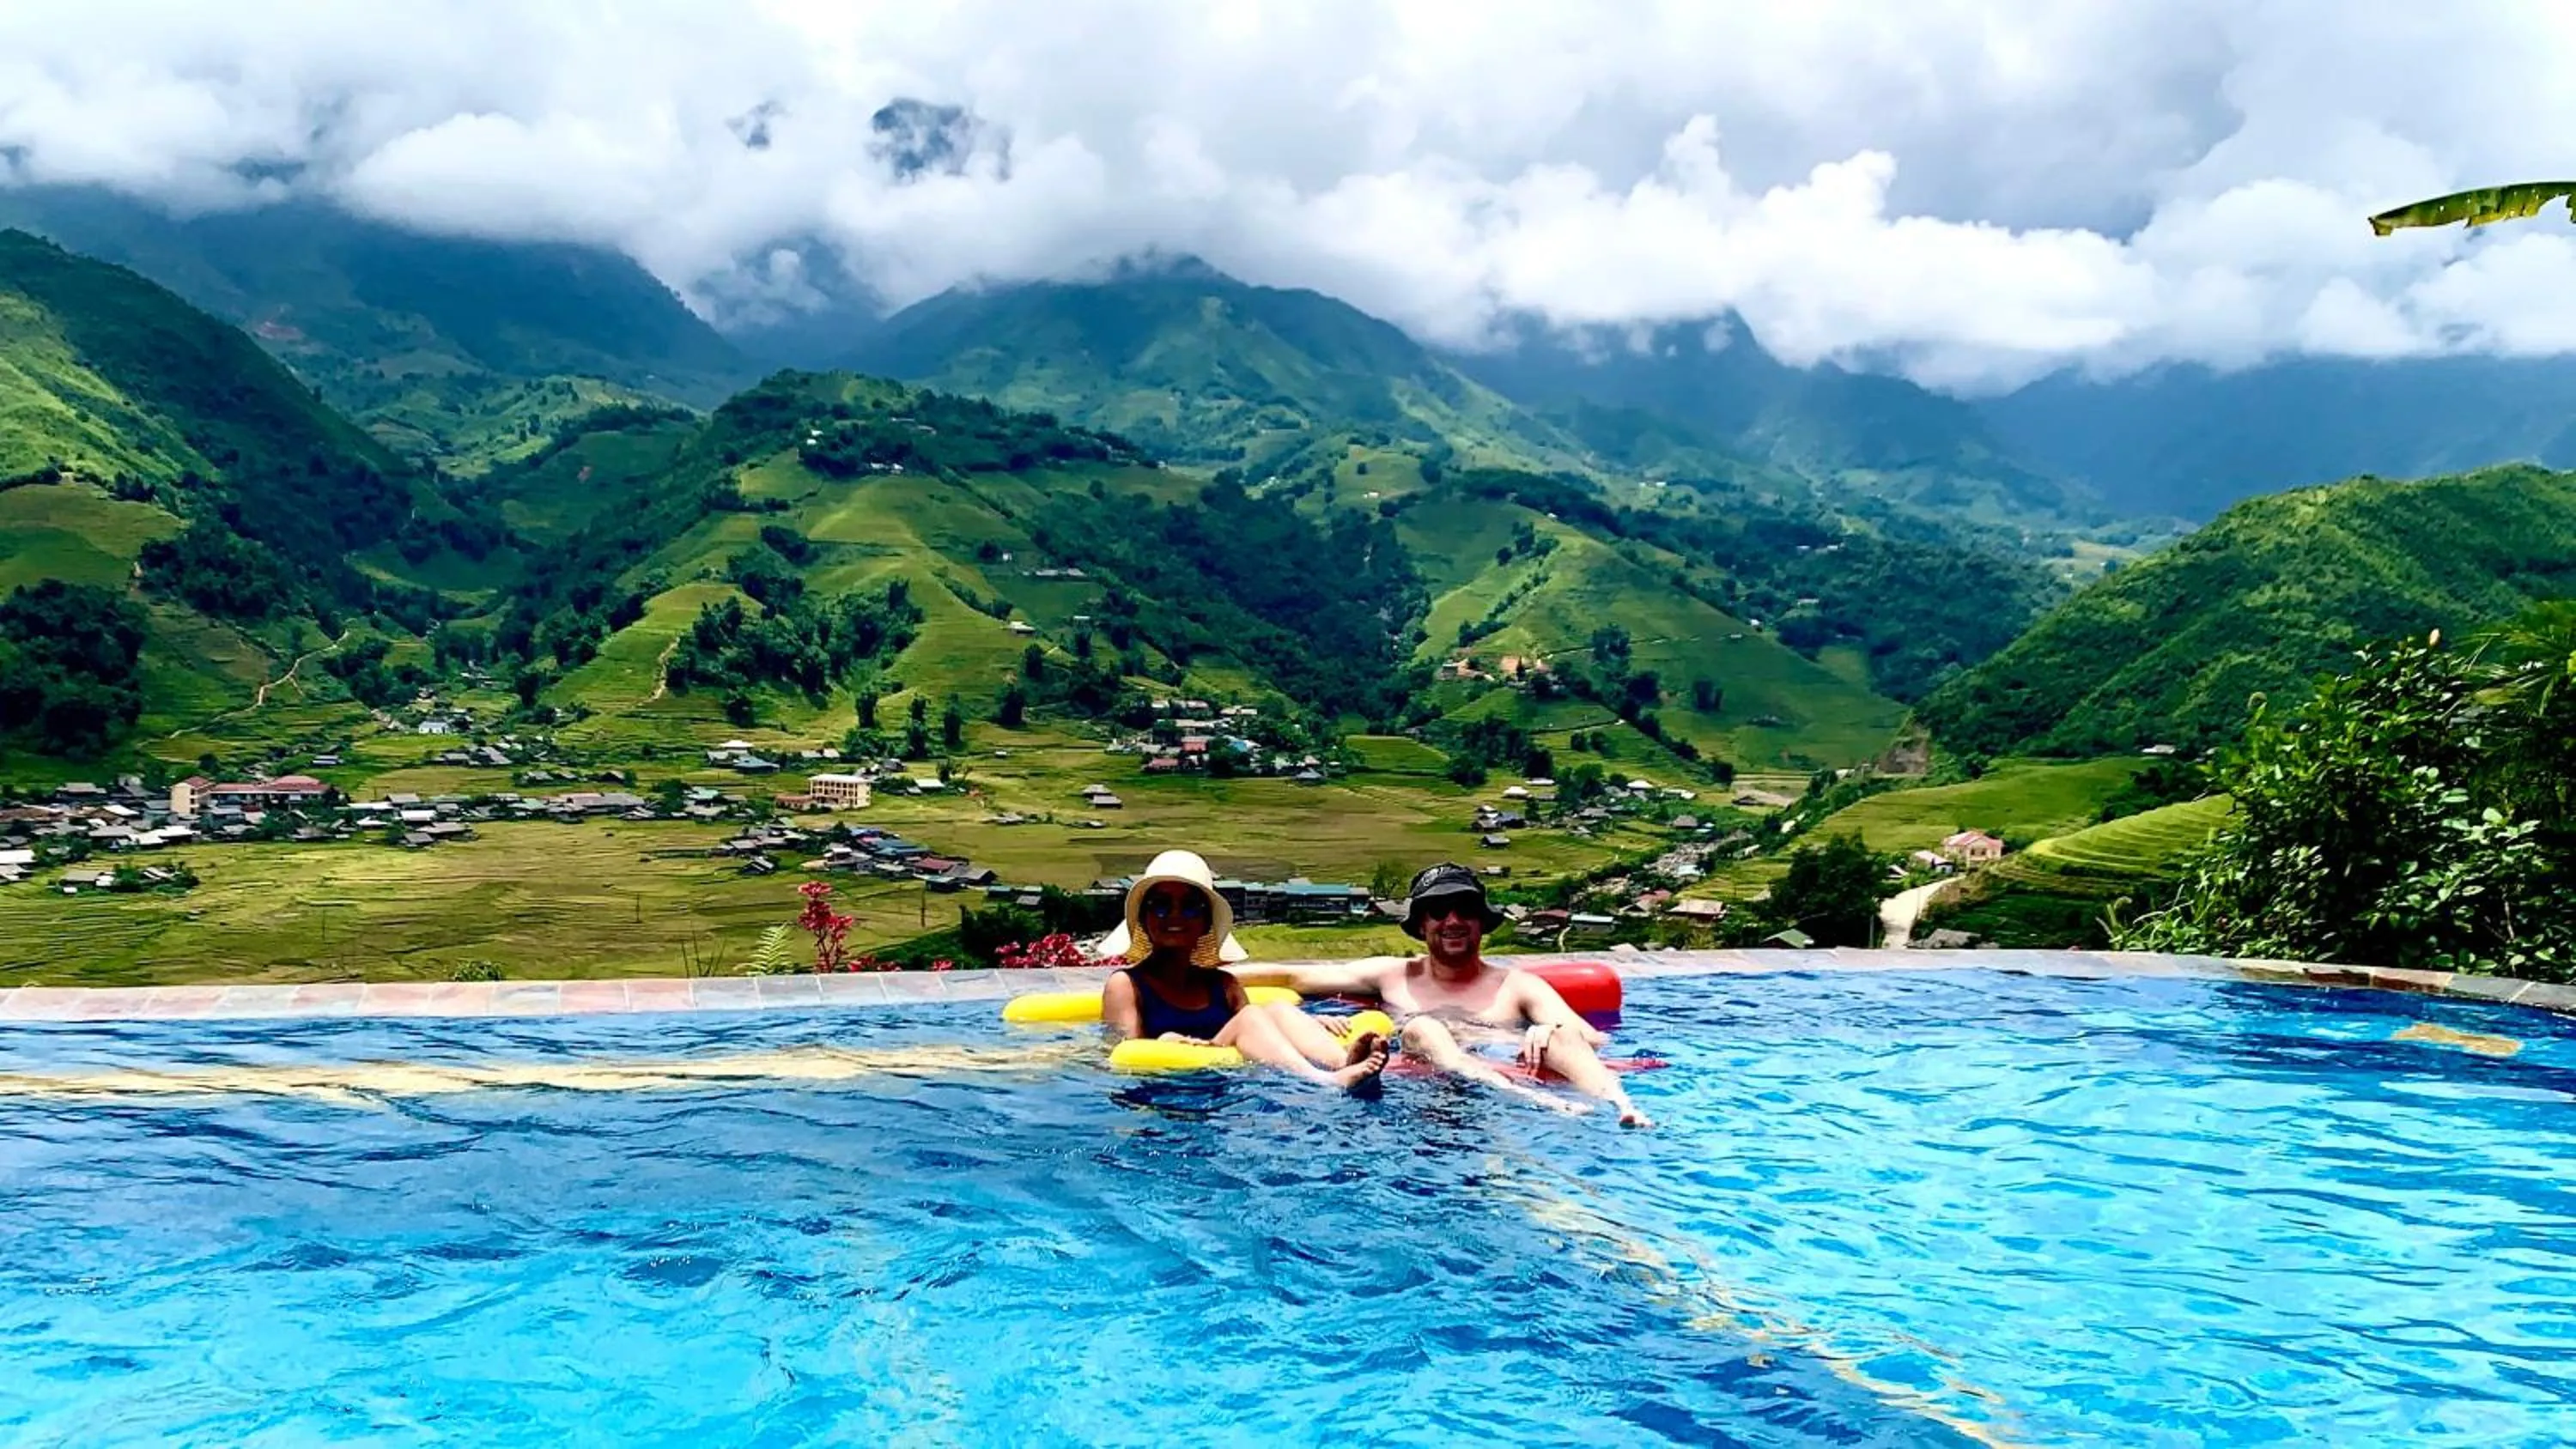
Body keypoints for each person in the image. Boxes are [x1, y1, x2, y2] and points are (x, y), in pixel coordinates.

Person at [1235, 863, 1655, 1127]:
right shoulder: (1393, 975)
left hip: (1504, 1085)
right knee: (1423, 1027)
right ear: (1421, 925)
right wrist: (1200, 973)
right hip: (1426, 1096)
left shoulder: (1517, 986)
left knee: (1560, 1037)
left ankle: (1623, 1106)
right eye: (1438, 911)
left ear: (1482, 922)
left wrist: (1549, 1031)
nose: (1452, 920)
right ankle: (1543, 1103)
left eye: (1465, 909)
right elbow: (1294, 978)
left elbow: (1593, 1038)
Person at [1095, 849, 1388, 1090]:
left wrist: (1311, 1022)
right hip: (1166, 1095)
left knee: (1277, 1009)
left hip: (1220, 1089)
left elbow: (1263, 1028)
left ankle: (1343, 1062)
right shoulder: (1126, 985)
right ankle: (1326, 1081)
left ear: (1206, 922)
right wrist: (1164, 1043)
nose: (1174, 915)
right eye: (1160, 905)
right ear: (1144, 919)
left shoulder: (1223, 986)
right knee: (1250, 1016)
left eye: (1189, 906)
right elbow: (1118, 1057)